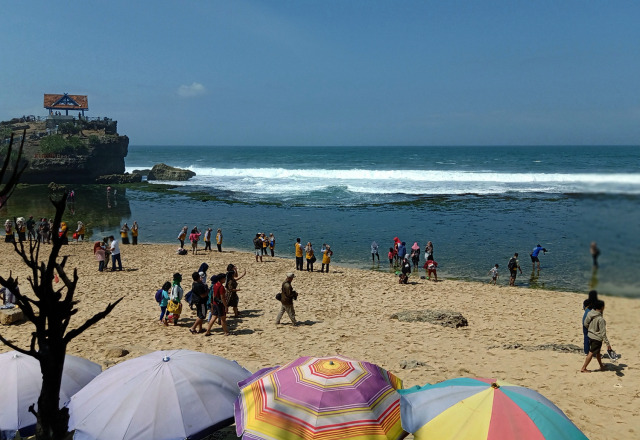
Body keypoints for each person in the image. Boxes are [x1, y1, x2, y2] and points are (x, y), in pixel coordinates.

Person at [581, 300, 613, 373]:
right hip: (597, 338)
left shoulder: (590, 313)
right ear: (602, 307)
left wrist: (591, 330)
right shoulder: (601, 319)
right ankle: (583, 368)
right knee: (591, 352)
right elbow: (603, 333)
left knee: (597, 352)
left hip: (590, 335)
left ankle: (601, 365)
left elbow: (585, 323)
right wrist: (607, 344)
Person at [582, 290, 599, 355]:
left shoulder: (586, 302)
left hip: (585, 320)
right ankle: (593, 352)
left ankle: (586, 352)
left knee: (586, 336)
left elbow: (584, 308)